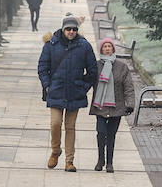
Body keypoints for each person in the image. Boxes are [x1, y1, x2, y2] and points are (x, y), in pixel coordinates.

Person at [37, 13, 97, 172]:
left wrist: (82, 87)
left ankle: (69, 161)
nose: (71, 32)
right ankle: (56, 151)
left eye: (74, 29)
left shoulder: (84, 46)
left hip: (74, 93)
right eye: (68, 29)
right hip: (56, 91)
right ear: (63, 29)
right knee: (55, 123)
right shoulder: (51, 44)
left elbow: (92, 71)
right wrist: (47, 85)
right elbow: (43, 67)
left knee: (70, 127)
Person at [89, 38, 135, 172]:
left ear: (113, 49)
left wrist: (130, 104)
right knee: (101, 132)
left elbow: (128, 87)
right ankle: (100, 159)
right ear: (101, 49)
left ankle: (109, 163)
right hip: (100, 106)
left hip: (117, 106)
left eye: (110, 46)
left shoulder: (122, 67)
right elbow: (88, 81)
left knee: (111, 135)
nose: (107, 48)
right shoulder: (96, 66)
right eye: (105, 47)